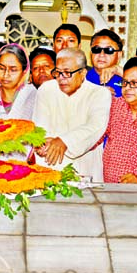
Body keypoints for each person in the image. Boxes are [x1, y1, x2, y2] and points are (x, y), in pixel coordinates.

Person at [33, 47, 111, 182]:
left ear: (82, 73)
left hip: (85, 169)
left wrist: (65, 141)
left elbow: (95, 127)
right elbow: (40, 126)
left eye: (67, 73)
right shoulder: (46, 89)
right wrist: (41, 144)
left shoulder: (99, 93)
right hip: (50, 164)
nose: (61, 78)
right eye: (58, 72)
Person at [0, 44, 37, 121]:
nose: (6, 74)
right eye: (2, 68)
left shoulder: (32, 96)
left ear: (24, 71)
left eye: (13, 70)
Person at [87, 29, 124, 97]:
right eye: (97, 49)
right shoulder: (81, 79)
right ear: (91, 53)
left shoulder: (126, 79)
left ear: (119, 55)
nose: (101, 54)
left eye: (109, 50)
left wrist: (119, 71)